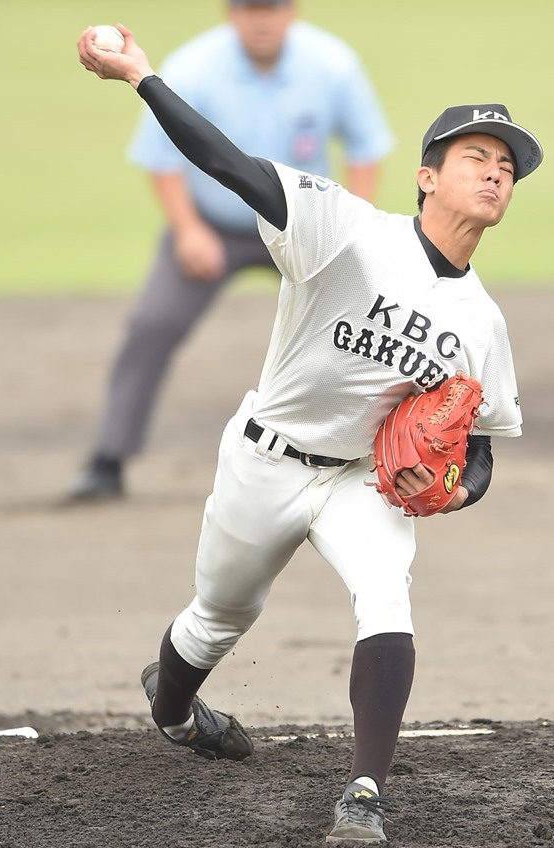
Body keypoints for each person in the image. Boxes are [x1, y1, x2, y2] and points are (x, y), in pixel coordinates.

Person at [77, 21, 543, 845]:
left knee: (386, 598)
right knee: (218, 617)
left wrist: (450, 490)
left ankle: (364, 792)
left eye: (507, 168)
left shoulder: (483, 323)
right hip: (265, 458)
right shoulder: (345, 230)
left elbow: (481, 451)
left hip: (360, 482)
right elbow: (229, 165)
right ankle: (177, 711)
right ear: (428, 176)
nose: (496, 174)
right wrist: (142, 78)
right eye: (479, 157)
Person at [69, 0, 393, 501]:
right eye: (249, 8)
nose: (261, 19)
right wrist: (188, 229)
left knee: (366, 326)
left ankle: (377, 456)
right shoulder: (194, 65)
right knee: (152, 324)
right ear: (231, 12)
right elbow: (159, 157)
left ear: (292, 11)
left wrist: (351, 229)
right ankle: (108, 458)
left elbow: (365, 147)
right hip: (213, 227)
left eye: (272, 7)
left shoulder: (333, 65)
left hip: (305, 229)